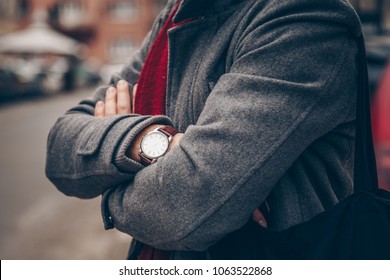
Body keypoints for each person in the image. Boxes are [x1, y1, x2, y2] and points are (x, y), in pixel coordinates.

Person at [46, 0, 363, 259]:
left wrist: (110, 190)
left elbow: (183, 212)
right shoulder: (174, 15)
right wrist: (153, 143)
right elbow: (59, 148)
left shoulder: (304, 15)